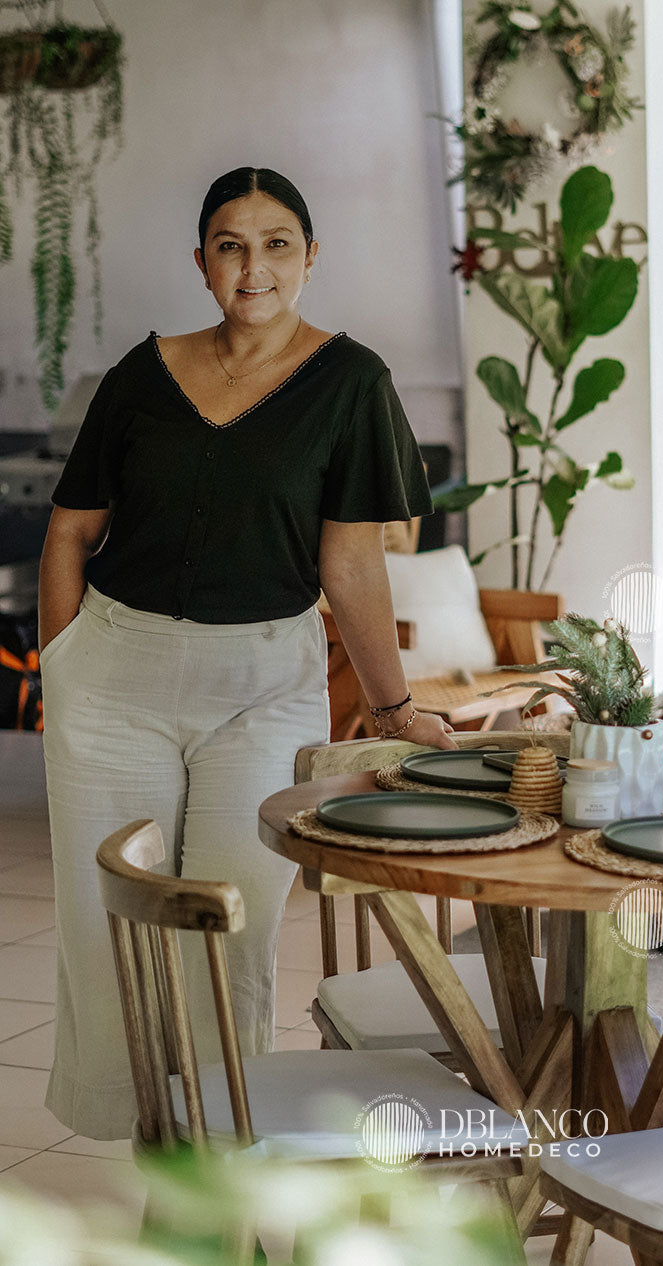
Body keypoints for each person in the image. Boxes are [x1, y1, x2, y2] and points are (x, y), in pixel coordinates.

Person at [38, 166, 455, 1139]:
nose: (252, 265)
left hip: (265, 686)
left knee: (231, 924)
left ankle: (221, 1151)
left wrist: (393, 710)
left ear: (310, 259)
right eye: (230, 244)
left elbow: (350, 567)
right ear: (201, 262)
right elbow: (69, 532)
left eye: (275, 244)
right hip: (114, 679)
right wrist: (63, 669)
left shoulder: (353, 384)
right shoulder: (140, 376)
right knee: (117, 935)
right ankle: (151, 1149)